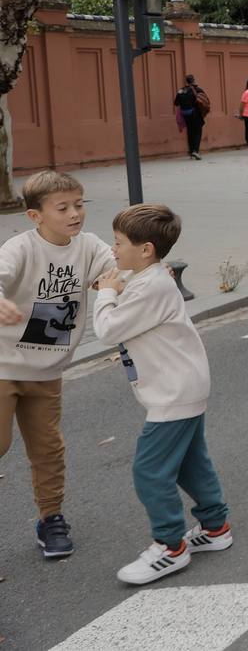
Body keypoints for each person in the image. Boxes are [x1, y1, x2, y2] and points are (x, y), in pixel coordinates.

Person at [91, 204, 232, 585]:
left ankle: (170, 547)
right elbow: (122, 279)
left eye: (119, 243)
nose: (113, 249)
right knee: (189, 462)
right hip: (181, 385)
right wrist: (111, 283)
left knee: (150, 471)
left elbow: (108, 330)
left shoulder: (151, 285)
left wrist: (104, 294)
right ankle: (215, 527)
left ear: (147, 249)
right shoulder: (149, 278)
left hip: (174, 391)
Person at [0, 171, 115, 559]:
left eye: (79, 205)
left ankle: (51, 519)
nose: (74, 214)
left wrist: (135, 279)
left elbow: (114, 270)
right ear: (36, 216)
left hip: (47, 368)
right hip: (4, 365)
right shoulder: (21, 248)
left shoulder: (88, 246)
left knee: (48, 448)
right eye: (62, 208)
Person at [174, 75, 208, 160]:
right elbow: (205, 100)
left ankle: (191, 151)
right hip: (195, 114)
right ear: (193, 80)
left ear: (186, 81)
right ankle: (195, 151)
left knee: (190, 132)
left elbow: (176, 103)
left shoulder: (181, 90)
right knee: (197, 132)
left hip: (185, 115)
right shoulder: (197, 89)